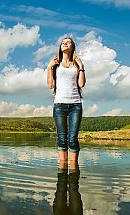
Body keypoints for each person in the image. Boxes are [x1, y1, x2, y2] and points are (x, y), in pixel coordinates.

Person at [47, 37, 86, 166]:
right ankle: (63, 169)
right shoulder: (55, 64)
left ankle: (74, 170)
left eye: (68, 42)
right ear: (60, 46)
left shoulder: (76, 64)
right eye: (63, 42)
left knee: (73, 139)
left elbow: (81, 84)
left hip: (76, 105)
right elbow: (50, 85)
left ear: (72, 46)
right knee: (62, 138)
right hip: (59, 105)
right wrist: (49, 67)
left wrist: (81, 67)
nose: (65, 43)